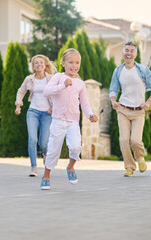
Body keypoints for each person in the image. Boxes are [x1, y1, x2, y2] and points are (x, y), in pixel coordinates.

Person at [40, 48, 98, 190]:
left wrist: (90, 114)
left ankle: (70, 167)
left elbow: (84, 103)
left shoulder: (80, 84)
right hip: (58, 120)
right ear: (63, 63)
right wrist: (62, 85)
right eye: (70, 62)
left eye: (77, 62)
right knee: (53, 150)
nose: (74, 65)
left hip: (73, 122)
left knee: (76, 146)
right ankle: (46, 176)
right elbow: (46, 91)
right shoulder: (58, 77)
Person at [109, 42, 151, 177]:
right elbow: (113, 89)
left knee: (135, 140)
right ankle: (129, 167)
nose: (129, 53)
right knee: (124, 140)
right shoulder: (118, 71)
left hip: (138, 111)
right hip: (123, 109)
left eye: (132, 51)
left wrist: (148, 103)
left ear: (136, 54)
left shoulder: (142, 70)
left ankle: (140, 157)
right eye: (126, 50)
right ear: (123, 52)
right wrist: (114, 101)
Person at [15, 54, 56, 177]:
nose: (39, 64)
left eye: (41, 62)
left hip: (47, 114)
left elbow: (57, 93)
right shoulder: (29, 79)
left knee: (43, 142)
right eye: (36, 63)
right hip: (33, 111)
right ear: (33, 66)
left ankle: (45, 153)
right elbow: (21, 91)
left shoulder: (51, 78)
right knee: (32, 139)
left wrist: (54, 107)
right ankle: (33, 167)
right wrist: (18, 104)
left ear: (45, 65)